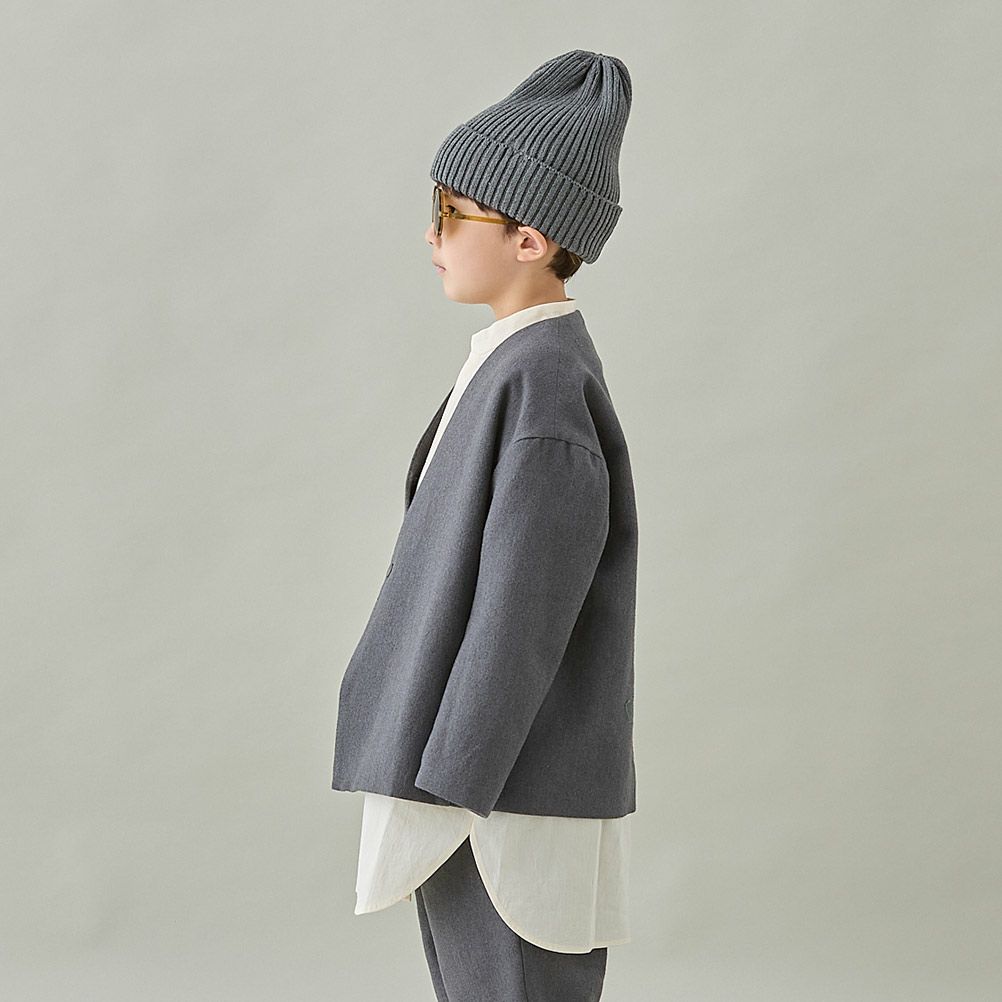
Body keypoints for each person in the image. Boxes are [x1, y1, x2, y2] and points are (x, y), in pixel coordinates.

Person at [331, 49, 638, 1001]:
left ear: (530, 239)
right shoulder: (513, 367)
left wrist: (455, 779)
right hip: (471, 776)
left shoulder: (542, 384)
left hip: (498, 788)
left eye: (452, 212)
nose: (432, 233)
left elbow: (525, 610)